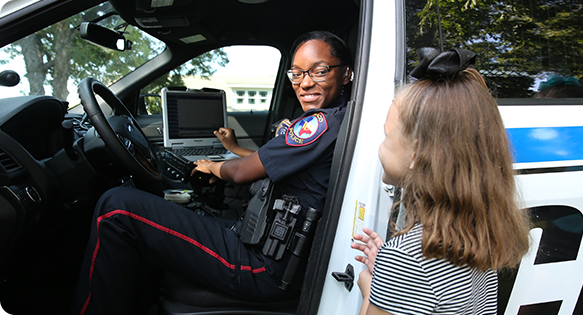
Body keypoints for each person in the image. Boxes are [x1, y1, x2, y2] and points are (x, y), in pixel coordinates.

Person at [71, 30, 353, 315]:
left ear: (346, 74)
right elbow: (268, 160)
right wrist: (232, 148)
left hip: (263, 267)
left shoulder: (320, 125)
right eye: (297, 73)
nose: (305, 83)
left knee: (117, 206)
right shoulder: (334, 120)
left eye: (319, 71)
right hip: (261, 243)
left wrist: (211, 166)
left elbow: (243, 172)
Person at [351, 47, 531, 315]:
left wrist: (370, 287)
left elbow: (411, 276)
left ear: (417, 152)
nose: (381, 145)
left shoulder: (406, 258)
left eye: (387, 135)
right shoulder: (477, 235)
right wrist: (389, 280)